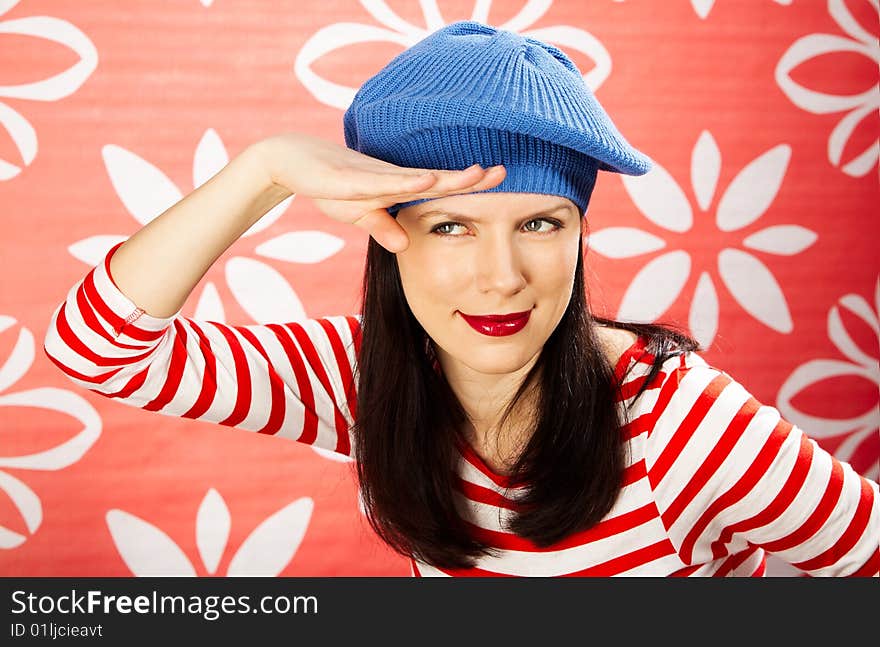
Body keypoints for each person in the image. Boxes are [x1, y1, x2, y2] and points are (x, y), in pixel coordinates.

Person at [43, 20, 878, 577]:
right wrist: (261, 170)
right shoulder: (360, 376)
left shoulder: (679, 422)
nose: (501, 275)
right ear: (387, 231)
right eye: (450, 228)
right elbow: (98, 348)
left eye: (543, 223)